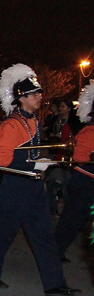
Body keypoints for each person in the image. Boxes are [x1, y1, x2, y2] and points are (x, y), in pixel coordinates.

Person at [0, 64, 78, 296]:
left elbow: (33, 151)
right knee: (4, 232)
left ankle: (55, 283)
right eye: (35, 94)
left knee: (43, 236)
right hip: (15, 185)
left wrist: (42, 162)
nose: (39, 97)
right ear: (22, 98)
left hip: (33, 185)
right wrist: (33, 164)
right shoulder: (10, 124)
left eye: (39, 93)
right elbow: (3, 160)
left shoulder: (34, 121)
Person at [55, 80, 94, 260]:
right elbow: (79, 156)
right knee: (73, 220)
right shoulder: (89, 131)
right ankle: (55, 251)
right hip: (84, 181)